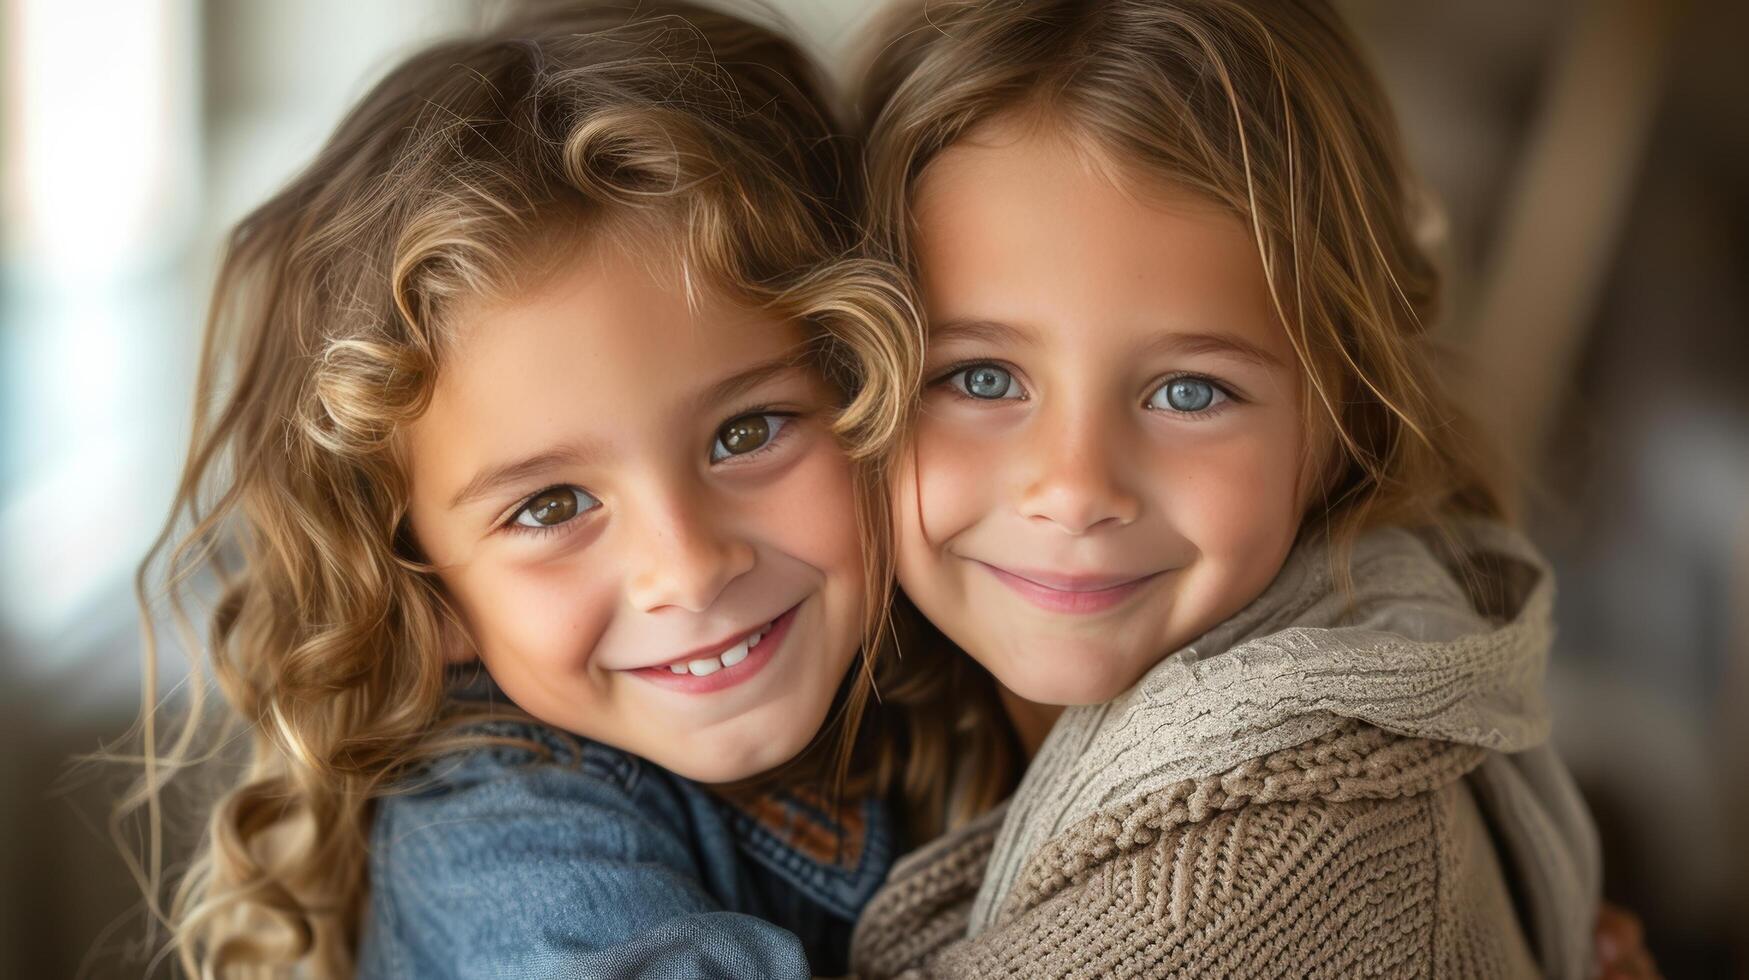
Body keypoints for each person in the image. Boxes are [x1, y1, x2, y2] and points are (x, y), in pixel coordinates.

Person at [117, 4, 927, 976]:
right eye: (549, 506)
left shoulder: (927, 690)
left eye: (744, 433)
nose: (688, 566)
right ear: (425, 589)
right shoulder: (499, 833)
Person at [850, 0, 1602, 975]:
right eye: (982, 377)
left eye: (1189, 390)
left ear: (1343, 418)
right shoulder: (884, 691)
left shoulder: (1250, 899)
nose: (1074, 488)